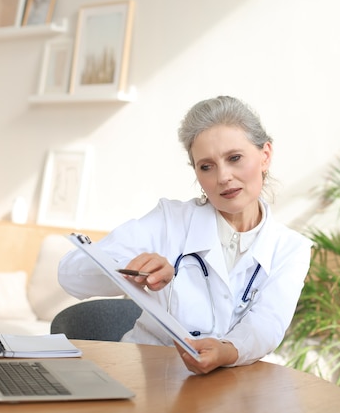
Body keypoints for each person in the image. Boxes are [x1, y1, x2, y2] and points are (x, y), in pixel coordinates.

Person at [58, 96, 312, 375]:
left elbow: (267, 325)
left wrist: (226, 350)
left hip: (230, 386)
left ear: (265, 155)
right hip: (145, 379)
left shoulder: (291, 248)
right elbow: (70, 274)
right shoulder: (170, 221)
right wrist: (133, 270)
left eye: (234, 158)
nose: (223, 176)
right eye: (206, 166)